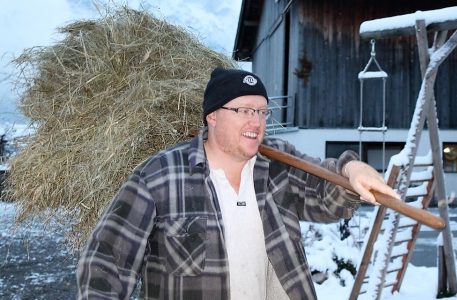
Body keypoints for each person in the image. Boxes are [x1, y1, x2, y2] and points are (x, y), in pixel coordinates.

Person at [76, 67, 399, 300]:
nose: (256, 122)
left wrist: (352, 169)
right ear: (212, 116)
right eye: (244, 110)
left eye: (261, 111)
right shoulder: (160, 176)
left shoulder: (278, 164)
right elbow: (107, 261)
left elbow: (325, 196)